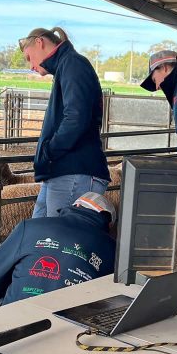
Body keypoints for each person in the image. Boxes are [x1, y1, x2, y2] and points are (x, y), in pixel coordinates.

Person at [19, 27, 110, 218]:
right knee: (40, 234)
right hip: (62, 170)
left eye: (29, 58)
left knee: (59, 240)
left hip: (75, 170)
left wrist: (49, 151)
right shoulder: (67, 66)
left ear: (39, 42)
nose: (31, 66)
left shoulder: (73, 64)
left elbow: (76, 118)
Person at [0, 192, 116, 306]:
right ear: (109, 225)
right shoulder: (112, 249)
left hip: (12, 325)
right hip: (68, 333)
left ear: (75, 206)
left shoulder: (31, 227)